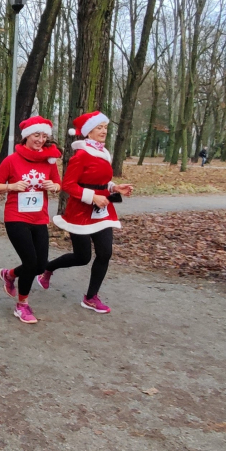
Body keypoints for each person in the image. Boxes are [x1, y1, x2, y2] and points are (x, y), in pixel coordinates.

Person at [38, 111, 133, 314]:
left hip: (103, 210)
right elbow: (68, 185)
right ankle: (48, 268)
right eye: (99, 128)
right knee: (82, 257)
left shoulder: (104, 153)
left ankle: (90, 297)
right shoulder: (80, 156)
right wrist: (92, 197)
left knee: (105, 253)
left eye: (105, 128)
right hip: (80, 211)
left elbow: (100, 181)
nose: (103, 131)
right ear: (89, 132)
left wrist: (115, 188)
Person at [0, 116, 61, 324]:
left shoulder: (49, 160)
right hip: (16, 217)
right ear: (27, 136)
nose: (40, 139)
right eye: (36, 135)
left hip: (39, 218)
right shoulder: (12, 160)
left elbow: (58, 183)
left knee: (40, 265)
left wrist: (53, 187)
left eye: (44, 136)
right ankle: (22, 305)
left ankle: (10, 274)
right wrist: (11, 187)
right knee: (30, 262)